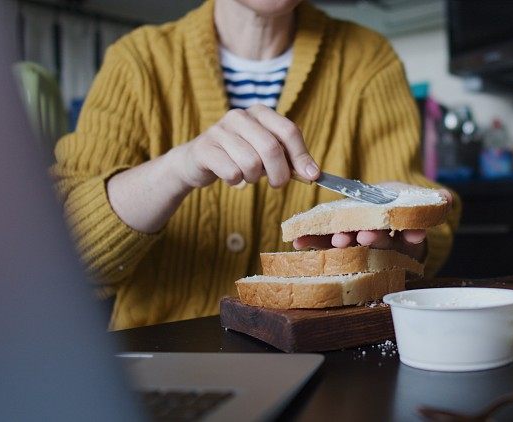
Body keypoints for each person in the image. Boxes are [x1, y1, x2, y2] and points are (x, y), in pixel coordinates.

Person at [52, 0, 460, 330]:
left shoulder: (369, 60)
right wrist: (178, 167)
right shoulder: (137, 61)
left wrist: (406, 241)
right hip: (162, 361)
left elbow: (425, 246)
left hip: (325, 357)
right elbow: (61, 254)